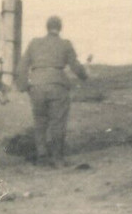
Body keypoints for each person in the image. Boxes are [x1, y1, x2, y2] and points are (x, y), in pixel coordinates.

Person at [15, 15, 88, 167]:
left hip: (37, 86)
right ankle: (57, 159)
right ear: (60, 28)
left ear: (47, 27)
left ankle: (42, 157)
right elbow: (75, 65)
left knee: (40, 121)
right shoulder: (65, 44)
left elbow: (22, 66)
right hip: (57, 85)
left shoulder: (34, 43)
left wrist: (23, 86)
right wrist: (84, 76)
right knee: (58, 122)